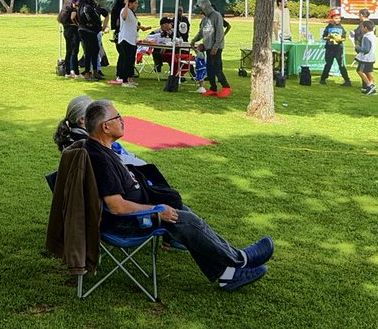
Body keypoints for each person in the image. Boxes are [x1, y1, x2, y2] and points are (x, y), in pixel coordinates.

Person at [80, 100, 274, 290]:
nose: (123, 120)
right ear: (106, 127)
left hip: (137, 212)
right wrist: (156, 210)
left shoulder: (102, 150)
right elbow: (117, 207)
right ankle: (240, 260)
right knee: (187, 221)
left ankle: (227, 274)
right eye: (118, 117)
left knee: (186, 216)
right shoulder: (101, 159)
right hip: (126, 223)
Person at [53, 95, 145, 165]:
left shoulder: (72, 138)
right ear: (82, 120)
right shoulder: (89, 145)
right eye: (94, 113)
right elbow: (116, 162)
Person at [191, 0, 230, 97]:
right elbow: (201, 32)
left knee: (217, 68)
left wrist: (215, 47)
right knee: (209, 69)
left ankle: (226, 87)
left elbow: (219, 33)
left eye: (201, 9)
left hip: (216, 48)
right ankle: (213, 88)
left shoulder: (216, 16)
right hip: (208, 47)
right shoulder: (205, 19)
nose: (201, 11)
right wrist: (194, 40)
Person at [110, 0, 149, 87]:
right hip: (125, 39)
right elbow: (123, 17)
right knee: (126, 60)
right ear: (130, 3)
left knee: (131, 60)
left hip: (132, 39)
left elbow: (131, 25)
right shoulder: (124, 10)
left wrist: (141, 27)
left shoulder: (131, 13)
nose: (137, 5)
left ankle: (130, 78)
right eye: (135, 3)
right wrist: (126, 4)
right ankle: (124, 80)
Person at [76, 0, 107, 81]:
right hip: (89, 31)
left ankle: (94, 71)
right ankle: (88, 73)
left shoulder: (83, 7)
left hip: (87, 30)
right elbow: (90, 18)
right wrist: (94, 24)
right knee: (90, 52)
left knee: (93, 51)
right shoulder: (86, 7)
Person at [320, 9, 351, 86]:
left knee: (341, 65)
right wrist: (329, 37)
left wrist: (339, 39)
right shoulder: (328, 27)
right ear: (332, 18)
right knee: (328, 64)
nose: (338, 20)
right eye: (336, 18)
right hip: (330, 48)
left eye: (339, 18)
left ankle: (347, 80)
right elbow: (324, 37)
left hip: (338, 49)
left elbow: (344, 37)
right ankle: (323, 79)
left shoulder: (341, 27)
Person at [58, 0, 82, 78]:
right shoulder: (73, 9)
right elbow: (72, 17)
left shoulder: (65, 9)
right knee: (75, 52)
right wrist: (77, 24)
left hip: (66, 30)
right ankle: (76, 73)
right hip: (73, 31)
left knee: (68, 51)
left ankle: (68, 72)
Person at [355, 20, 378, 95]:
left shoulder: (366, 37)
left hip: (366, 58)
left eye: (362, 27)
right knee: (369, 72)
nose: (361, 29)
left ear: (365, 28)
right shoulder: (373, 36)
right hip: (372, 57)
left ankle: (369, 85)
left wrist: (358, 47)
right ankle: (372, 88)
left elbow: (366, 49)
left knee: (360, 71)